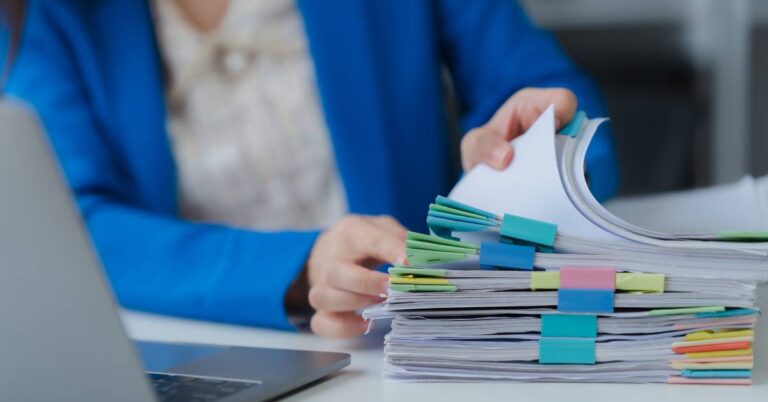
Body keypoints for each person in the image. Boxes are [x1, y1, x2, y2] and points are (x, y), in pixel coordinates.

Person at [0, 0, 618, 338]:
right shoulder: (52, 16)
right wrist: (298, 268)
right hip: (198, 350)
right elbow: (65, 225)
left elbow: (557, 103)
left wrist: (530, 155)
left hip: (404, 347)